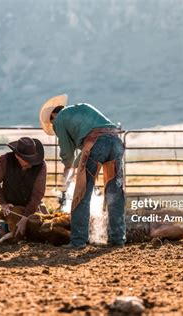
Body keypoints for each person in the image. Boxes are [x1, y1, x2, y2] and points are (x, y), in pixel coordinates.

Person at [39, 94, 126, 249]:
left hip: (96, 144)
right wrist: (76, 164)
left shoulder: (59, 119)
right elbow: (91, 143)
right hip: (116, 141)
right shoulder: (83, 108)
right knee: (115, 192)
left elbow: (67, 149)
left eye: (52, 123)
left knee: (82, 193)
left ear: (53, 115)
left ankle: (78, 241)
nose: (54, 126)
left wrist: (67, 168)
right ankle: (118, 239)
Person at [0, 137, 47, 240]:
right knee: (17, 232)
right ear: (17, 156)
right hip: (12, 206)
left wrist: (25, 218)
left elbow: (38, 194)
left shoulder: (41, 166)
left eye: (32, 159)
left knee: (43, 226)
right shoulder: (5, 160)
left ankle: (6, 227)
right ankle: (4, 226)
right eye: (27, 160)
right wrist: (3, 203)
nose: (31, 163)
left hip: (32, 205)